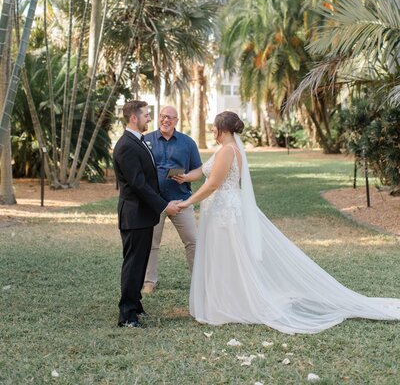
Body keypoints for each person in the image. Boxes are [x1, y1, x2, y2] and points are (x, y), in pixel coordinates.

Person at [175, 110, 400, 334]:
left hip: (225, 211)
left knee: (228, 255)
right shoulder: (227, 149)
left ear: (222, 129)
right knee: (225, 256)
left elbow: (213, 184)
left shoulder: (227, 151)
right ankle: (226, 300)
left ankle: (230, 304)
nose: (212, 131)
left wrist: (187, 202)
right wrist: (185, 177)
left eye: (214, 127)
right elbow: (206, 172)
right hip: (223, 209)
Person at [113, 100, 181, 328]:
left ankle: (136, 304)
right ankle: (127, 315)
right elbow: (139, 185)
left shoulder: (138, 142)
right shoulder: (126, 146)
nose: (149, 119)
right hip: (134, 215)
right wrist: (164, 206)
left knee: (140, 263)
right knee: (133, 265)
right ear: (134, 118)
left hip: (142, 215)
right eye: (145, 115)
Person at [142, 105, 202, 294]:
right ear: (158, 118)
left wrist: (186, 177)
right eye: (162, 116)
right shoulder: (146, 140)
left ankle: (199, 280)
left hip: (181, 201)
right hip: (154, 202)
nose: (165, 120)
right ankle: (149, 282)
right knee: (151, 243)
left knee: (193, 241)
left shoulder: (188, 143)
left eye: (170, 118)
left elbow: (198, 170)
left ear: (177, 120)